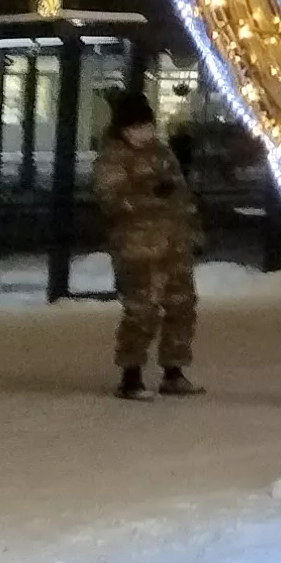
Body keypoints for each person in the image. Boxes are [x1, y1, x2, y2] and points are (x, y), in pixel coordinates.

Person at [91, 86, 202, 396]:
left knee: (182, 306)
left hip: (174, 245)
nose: (144, 132)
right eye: (137, 126)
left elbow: (181, 196)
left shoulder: (161, 152)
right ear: (124, 128)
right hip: (137, 249)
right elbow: (110, 200)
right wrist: (150, 195)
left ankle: (174, 371)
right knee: (142, 310)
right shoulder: (112, 158)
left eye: (147, 125)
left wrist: (193, 230)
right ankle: (131, 375)